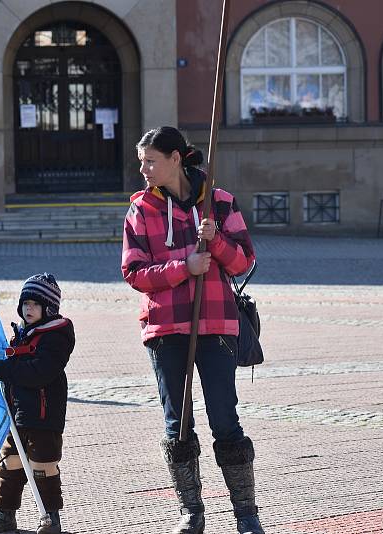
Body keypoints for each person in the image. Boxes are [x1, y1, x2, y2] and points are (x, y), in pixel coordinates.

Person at [121, 127, 264, 534]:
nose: (143, 169)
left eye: (151, 160)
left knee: (225, 420)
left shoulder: (219, 202)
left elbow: (243, 263)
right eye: (141, 161)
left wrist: (216, 242)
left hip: (216, 324)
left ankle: (246, 515)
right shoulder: (140, 210)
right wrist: (186, 267)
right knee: (178, 423)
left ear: (176, 159)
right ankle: (192, 513)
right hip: (165, 329)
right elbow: (133, 273)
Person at [0, 273, 74, 534]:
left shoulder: (56, 336)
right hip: (18, 413)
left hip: (44, 416)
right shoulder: (22, 335)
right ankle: (5, 514)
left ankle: (50, 517)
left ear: (49, 308)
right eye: (25, 304)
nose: (28, 309)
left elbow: (39, 372)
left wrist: (1, 370)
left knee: (44, 465)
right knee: (10, 462)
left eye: (35, 304)